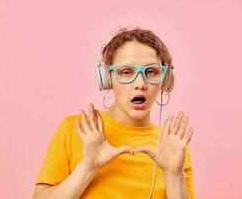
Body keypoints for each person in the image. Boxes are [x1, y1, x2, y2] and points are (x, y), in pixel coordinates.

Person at [32, 27, 196, 199]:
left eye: (151, 72)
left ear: (165, 79)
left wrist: (174, 175)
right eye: (126, 72)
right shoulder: (77, 130)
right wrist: (87, 167)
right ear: (106, 78)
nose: (140, 83)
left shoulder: (174, 146)